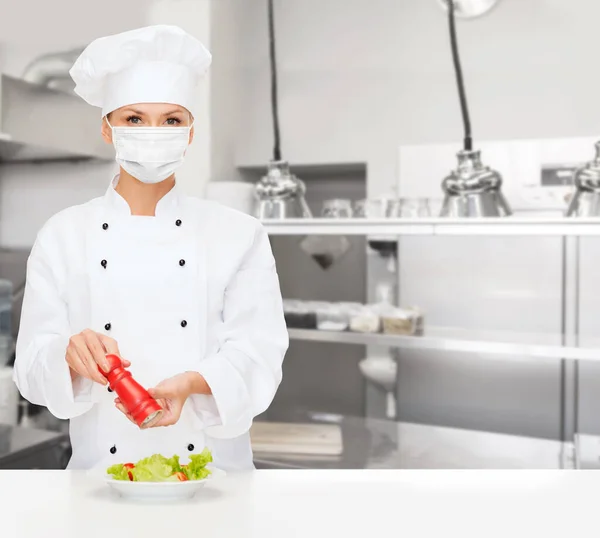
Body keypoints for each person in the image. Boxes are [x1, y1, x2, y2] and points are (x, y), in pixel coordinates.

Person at [13, 25, 289, 472]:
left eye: (172, 120)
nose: (154, 132)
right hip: (101, 476)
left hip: (213, 477)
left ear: (190, 133)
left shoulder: (240, 233)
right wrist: (68, 356)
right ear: (107, 129)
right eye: (134, 119)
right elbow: (30, 369)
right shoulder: (63, 235)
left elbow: (259, 354)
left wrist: (192, 383)